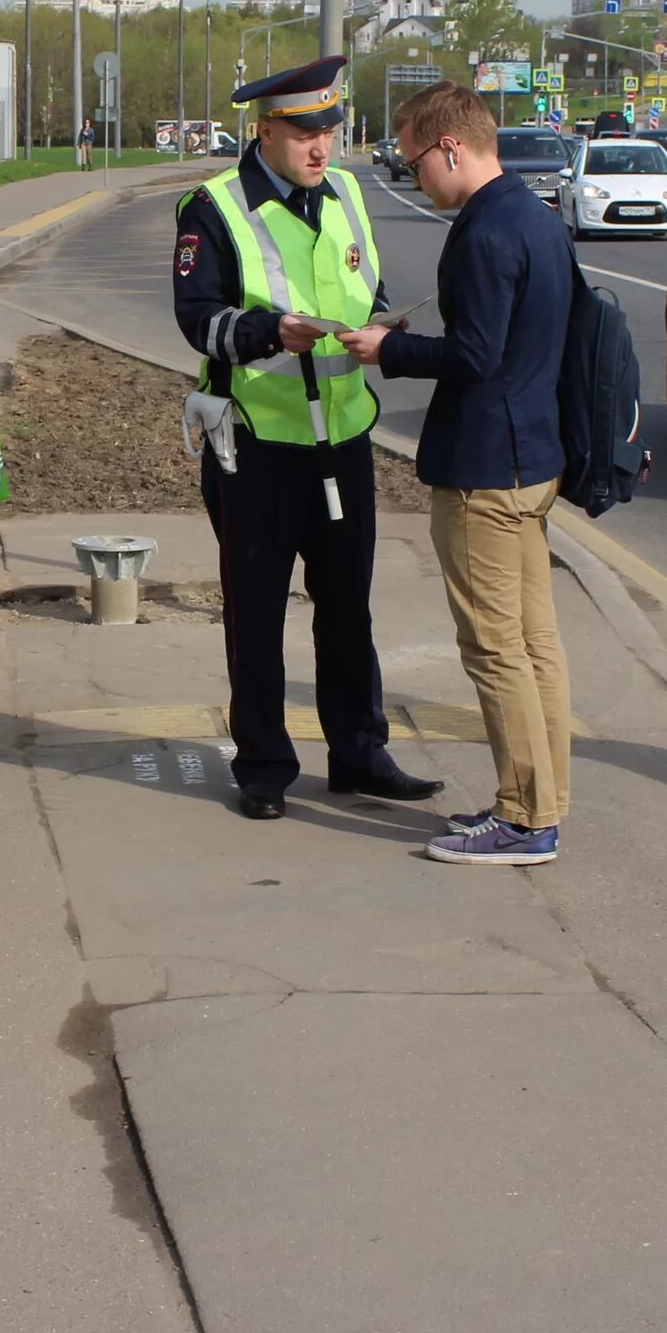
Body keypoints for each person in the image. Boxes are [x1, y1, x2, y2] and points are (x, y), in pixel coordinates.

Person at [171, 53, 441, 821]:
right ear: (266, 131)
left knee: (348, 606)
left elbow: (365, 281)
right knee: (255, 612)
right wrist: (267, 333)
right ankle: (263, 765)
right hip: (257, 442)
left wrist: (380, 323)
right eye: (305, 132)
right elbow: (198, 317)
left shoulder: (348, 191)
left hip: (345, 440)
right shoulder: (215, 207)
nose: (322, 146)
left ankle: (359, 752)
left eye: (330, 128)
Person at [341, 83, 575, 866]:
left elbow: (475, 357)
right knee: (535, 644)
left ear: (450, 147)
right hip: (534, 455)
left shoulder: (481, 234)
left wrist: (388, 350)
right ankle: (542, 802)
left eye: (414, 162)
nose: (414, 179)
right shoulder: (536, 217)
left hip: (484, 468)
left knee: (494, 648)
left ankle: (522, 818)